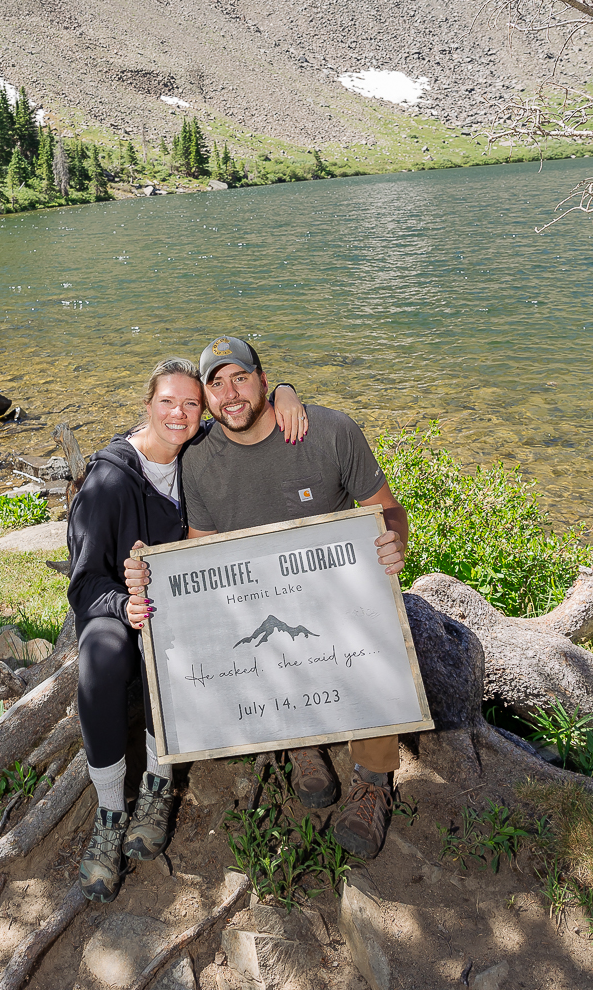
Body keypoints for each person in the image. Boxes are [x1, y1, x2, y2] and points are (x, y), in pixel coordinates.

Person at [125, 335, 408, 861]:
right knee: (260, 633)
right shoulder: (201, 459)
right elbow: (199, 552)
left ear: (263, 380)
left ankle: (372, 780)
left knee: (379, 620)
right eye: (216, 384)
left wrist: (395, 544)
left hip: (337, 599)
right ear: (206, 399)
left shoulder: (328, 432)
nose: (230, 394)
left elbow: (387, 509)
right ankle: (301, 742)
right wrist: (153, 574)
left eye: (241, 378)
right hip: (261, 605)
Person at [67, 357, 307, 902]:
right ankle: (108, 814)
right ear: (147, 406)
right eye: (167, 402)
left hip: (176, 605)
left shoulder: (198, 451)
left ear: (201, 413)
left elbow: (247, 412)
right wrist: (121, 606)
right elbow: (84, 582)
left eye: (190, 404)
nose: (180, 413)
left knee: (174, 650)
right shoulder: (109, 482)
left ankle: (157, 784)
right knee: (101, 664)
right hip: (114, 605)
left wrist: (287, 393)